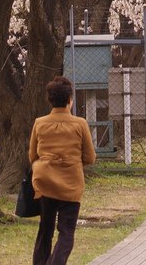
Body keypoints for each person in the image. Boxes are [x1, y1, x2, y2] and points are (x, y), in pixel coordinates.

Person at [29, 75, 96, 265]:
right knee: (66, 232)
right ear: (69, 100)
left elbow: (32, 155)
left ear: (50, 100)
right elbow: (90, 157)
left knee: (45, 231)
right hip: (70, 184)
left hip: (45, 183)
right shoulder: (80, 124)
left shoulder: (39, 123)